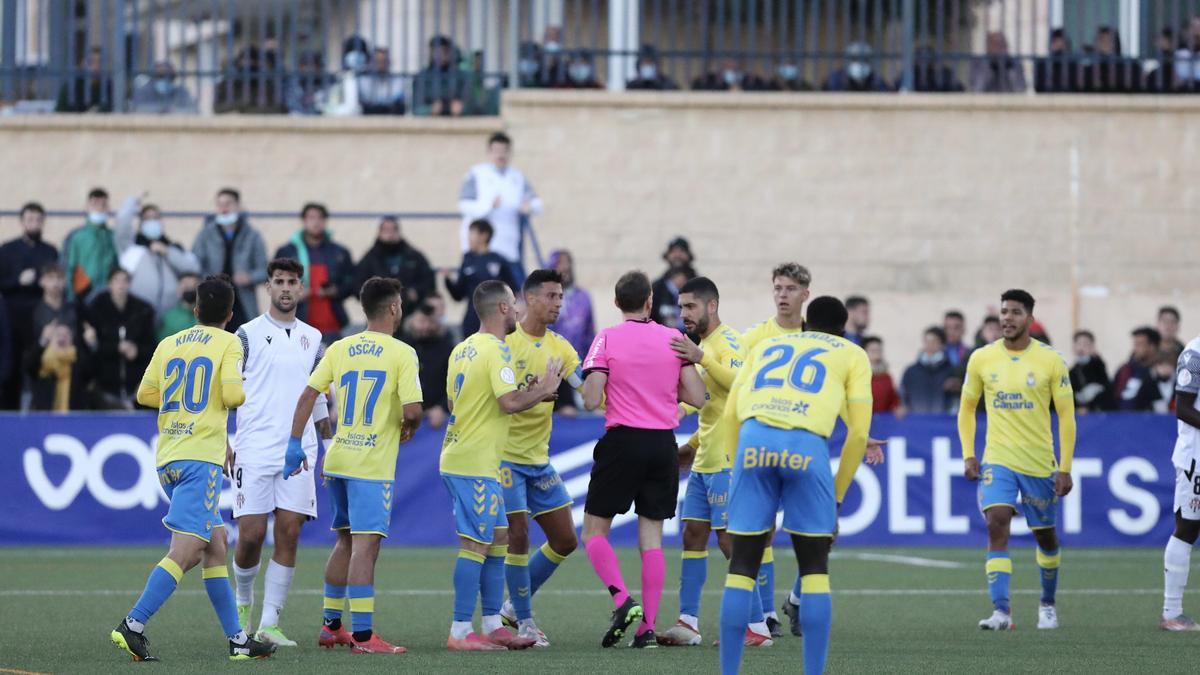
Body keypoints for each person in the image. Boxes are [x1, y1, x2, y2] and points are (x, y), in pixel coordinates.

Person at [109, 275, 276, 663]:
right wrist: (227, 393)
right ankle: (132, 624)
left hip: (169, 457)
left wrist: (185, 404)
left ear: (196, 310)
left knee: (216, 545)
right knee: (186, 550)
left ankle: (238, 640)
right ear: (231, 314)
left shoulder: (170, 343)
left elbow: (144, 394)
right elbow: (234, 394)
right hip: (200, 460)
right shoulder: (230, 342)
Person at [716, 296, 872, 675]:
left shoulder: (768, 345)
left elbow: (732, 413)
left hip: (754, 441)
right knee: (815, 568)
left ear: (805, 325)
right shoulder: (852, 354)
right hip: (806, 446)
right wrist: (835, 497)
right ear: (843, 329)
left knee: (741, 566)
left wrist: (739, 469)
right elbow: (859, 434)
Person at [291, 277, 423, 654]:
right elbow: (413, 410)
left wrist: (292, 443)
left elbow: (307, 397)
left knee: (345, 541)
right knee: (366, 547)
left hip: (339, 457)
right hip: (370, 464)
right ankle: (364, 637)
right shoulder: (402, 353)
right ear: (394, 308)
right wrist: (408, 425)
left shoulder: (340, 348)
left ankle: (331, 625)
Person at [580, 271, 708, 649]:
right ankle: (647, 628)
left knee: (593, 531)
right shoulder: (673, 339)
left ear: (617, 303)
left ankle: (623, 601)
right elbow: (700, 397)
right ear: (650, 302)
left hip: (623, 441)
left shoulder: (606, 338)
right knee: (651, 538)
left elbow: (589, 399)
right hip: (662, 445)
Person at [440, 280, 562, 651]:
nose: (521, 310)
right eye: (516, 303)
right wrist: (543, 389)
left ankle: (493, 622)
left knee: (498, 538)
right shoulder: (497, 351)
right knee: (475, 544)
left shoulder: (462, 349)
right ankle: (460, 631)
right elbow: (509, 402)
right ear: (504, 309)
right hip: (473, 463)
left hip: (469, 457)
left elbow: (452, 404)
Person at [658, 277, 772, 648]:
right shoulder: (703, 346)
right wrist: (690, 445)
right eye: (681, 306)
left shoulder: (727, 343)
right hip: (705, 460)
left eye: (690, 306)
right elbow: (713, 409)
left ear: (712, 306)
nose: (683, 314)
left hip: (728, 460)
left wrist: (701, 358)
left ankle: (757, 626)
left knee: (728, 541)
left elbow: (743, 385)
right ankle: (688, 622)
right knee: (692, 533)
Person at [960, 289, 1075, 632]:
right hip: (998, 458)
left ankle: (1048, 603)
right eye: (1004, 312)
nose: (1007, 318)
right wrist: (969, 452)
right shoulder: (982, 358)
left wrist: (1064, 466)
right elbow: (967, 408)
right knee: (997, 521)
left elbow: (1067, 416)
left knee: (1046, 538)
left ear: (1030, 318)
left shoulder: (1051, 361)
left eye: (1016, 312)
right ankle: (1002, 612)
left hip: (1040, 463)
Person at [230, 258, 331, 648]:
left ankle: (269, 623)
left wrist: (329, 444)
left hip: (299, 452)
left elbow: (318, 395)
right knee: (252, 534)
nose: (286, 288)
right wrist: (223, 439)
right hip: (254, 448)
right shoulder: (246, 335)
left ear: (301, 289)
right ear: (268, 288)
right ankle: (242, 607)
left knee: (289, 531)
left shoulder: (313, 337)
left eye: (292, 282)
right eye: (279, 281)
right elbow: (227, 388)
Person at [490, 270, 587, 646]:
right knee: (518, 535)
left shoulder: (561, 348)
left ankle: (513, 606)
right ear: (529, 299)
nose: (559, 304)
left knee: (565, 540)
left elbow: (588, 392)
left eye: (561, 297)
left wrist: (606, 374)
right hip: (504, 458)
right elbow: (502, 401)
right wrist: (541, 390)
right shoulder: (502, 343)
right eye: (551, 296)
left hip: (538, 460)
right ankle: (526, 622)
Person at [457, 132, 543, 282]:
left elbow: (536, 202)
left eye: (504, 151)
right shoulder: (477, 173)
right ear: (489, 152)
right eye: (496, 150)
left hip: (509, 249)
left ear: (510, 153)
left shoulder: (517, 177)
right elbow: (464, 204)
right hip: (482, 251)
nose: (500, 155)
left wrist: (529, 206)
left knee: (517, 294)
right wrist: (488, 206)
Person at [0, 202, 58, 409]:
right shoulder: (7, 250)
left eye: (38, 220)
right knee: (11, 367)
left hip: (39, 317)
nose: (34, 224)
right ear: (22, 222)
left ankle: (38, 408)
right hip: (12, 318)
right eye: (30, 219)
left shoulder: (49, 251)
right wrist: (17, 281)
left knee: (39, 364)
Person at [1161, 331, 1200, 629]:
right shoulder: (1194, 353)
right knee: (1187, 527)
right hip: (1196, 457)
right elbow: (1184, 408)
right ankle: (1171, 613)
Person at [273, 203, 355, 341]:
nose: (316, 222)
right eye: (311, 217)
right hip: (295, 324)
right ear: (304, 221)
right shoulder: (287, 252)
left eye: (320, 218)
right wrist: (293, 294)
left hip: (332, 326)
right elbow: (274, 284)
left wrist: (336, 291)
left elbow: (352, 282)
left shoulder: (339, 252)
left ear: (325, 221)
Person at [193, 188, 268, 331]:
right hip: (212, 301)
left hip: (243, 304)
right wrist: (209, 279)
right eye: (220, 204)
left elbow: (264, 270)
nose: (223, 208)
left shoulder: (253, 236)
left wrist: (249, 277)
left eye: (228, 203)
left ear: (239, 206)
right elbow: (195, 265)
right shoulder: (205, 235)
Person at [115, 196, 201, 316]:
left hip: (169, 317)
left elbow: (193, 268)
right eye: (147, 218)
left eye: (155, 218)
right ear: (141, 224)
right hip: (141, 316)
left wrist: (167, 252)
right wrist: (132, 203)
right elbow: (122, 225)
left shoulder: (173, 248)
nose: (152, 221)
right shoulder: (133, 250)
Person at [86, 267, 157, 410]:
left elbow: (152, 346)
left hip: (136, 385)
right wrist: (116, 348)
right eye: (116, 281)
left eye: (125, 281)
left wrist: (136, 351)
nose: (121, 285)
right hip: (105, 386)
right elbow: (93, 346)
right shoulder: (96, 308)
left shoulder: (143, 310)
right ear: (109, 284)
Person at [444, 219, 520, 338]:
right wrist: (448, 281)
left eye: (471, 234)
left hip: (496, 319)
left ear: (484, 235)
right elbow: (458, 295)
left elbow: (514, 291)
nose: (468, 238)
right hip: (472, 319)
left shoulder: (499, 261)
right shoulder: (467, 259)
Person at [26, 265, 88, 411]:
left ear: (65, 281)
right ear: (41, 282)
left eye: (59, 278)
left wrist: (89, 342)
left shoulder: (76, 310)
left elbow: (85, 354)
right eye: (50, 278)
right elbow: (27, 359)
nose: (55, 283)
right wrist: (43, 341)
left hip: (74, 387)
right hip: (42, 386)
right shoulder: (32, 312)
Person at [354, 216, 436, 318]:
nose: (390, 233)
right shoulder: (369, 259)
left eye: (394, 229)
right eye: (386, 229)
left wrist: (416, 292)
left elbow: (429, 281)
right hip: (379, 316)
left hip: (411, 315)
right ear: (379, 232)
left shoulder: (414, 256)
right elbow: (358, 286)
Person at [400, 298, 454, 429]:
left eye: (430, 322)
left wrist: (442, 408)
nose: (425, 327)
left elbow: (455, 386)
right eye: (421, 321)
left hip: (435, 422)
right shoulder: (399, 346)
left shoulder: (447, 349)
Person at [63, 187, 118, 303]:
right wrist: (71, 298)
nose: (99, 208)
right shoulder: (76, 236)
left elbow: (117, 266)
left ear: (108, 208)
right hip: (83, 295)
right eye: (95, 204)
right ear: (87, 207)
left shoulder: (113, 237)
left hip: (108, 296)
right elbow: (68, 268)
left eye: (103, 205)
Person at [547, 249, 595, 361]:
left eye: (568, 262)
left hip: (580, 365)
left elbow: (590, 335)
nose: (566, 267)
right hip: (551, 367)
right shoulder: (544, 299)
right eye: (560, 263)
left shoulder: (584, 297)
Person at [900, 327, 956, 414]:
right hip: (916, 422)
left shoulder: (951, 371)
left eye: (933, 342)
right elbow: (903, 397)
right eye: (926, 341)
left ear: (942, 345)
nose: (929, 345)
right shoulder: (911, 372)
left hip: (943, 423)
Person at [1112, 327, 1164, 411]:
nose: (1135, 348)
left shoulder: (1164, 373)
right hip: (1122, 421)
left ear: (1152, 346)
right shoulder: (1125, 370)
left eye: (1139, 344)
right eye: (1134, 344)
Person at [413, 35, 465, 116]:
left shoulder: (460, 77)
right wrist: (430, 109)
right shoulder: (422, 77)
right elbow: (416, 109)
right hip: (429, 124)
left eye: (444, 51)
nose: (441, 55)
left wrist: (462, 108)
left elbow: (474, 107)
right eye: (437, 51)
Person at [651, 237, 696, 329]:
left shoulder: (700, 286)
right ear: (667, 256)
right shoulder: (657, 287)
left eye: (682, 251)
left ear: (688, 255)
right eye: (673, 251)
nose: (677, 255)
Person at [1082, 26, 1141, 93]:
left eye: (1108, 40)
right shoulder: (1088, 71)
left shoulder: (1130, 68)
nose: (1104, 44)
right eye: (1101, 40)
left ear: (1116, 43)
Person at [56, 46, 113, 112]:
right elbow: (59, 114)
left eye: (100, 62)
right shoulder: (71, 88)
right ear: (82, 64)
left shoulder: (110, 88)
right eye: (91, 62)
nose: (96, 67)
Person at [130, 61, 198, 114]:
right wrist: (161, 110)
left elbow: (192, 110)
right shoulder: (144, 92)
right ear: (153, 78)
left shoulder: (181, 92)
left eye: (170, 77)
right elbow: (137, 109)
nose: (165, 80)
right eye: (160, 77)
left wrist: (170, 111)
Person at [1070, 330, 1111, 414]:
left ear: (1092, 347)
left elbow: (1106, 389)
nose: (1081, 348)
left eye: (1085, 345)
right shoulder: (1072, 372)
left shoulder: (1098, 366)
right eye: (1078, 344)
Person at [823, 42, 891, 91]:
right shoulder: (835, 80)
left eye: (865, 60)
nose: (860, 63)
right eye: (855, 59)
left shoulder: (876, 81)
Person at [359, 48, 407, 115]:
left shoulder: (397, 81)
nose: (381, 65)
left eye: (384, 61)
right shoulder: (365, 81)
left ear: (389, 62)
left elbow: (397, 100)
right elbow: (366, 102)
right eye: (378, 61)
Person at [864, 336, 901, 415]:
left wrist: (897, 408)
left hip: (883, 423)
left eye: (879, 350)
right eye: (873, 350)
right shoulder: (858, 376)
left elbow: (893, 400)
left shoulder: (886, 377)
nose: (877, 353)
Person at [1035, 29, 1080, 93]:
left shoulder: (1073, 66)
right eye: (1056, 43)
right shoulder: (1043, 65)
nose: (1059, 47)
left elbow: (1076, 87)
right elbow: (1039, 87)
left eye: (1062, 44)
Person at [157, 274, 200, 341]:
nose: (190, 290)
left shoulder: (208, 315)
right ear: (179, 290)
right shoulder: (169, 317)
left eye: (194, 287)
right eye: (186, 287)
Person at [691, 59, 769, 91]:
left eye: (736, 58)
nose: (733, 62)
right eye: (729, 58)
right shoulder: (709, 79)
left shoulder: (754, 80)